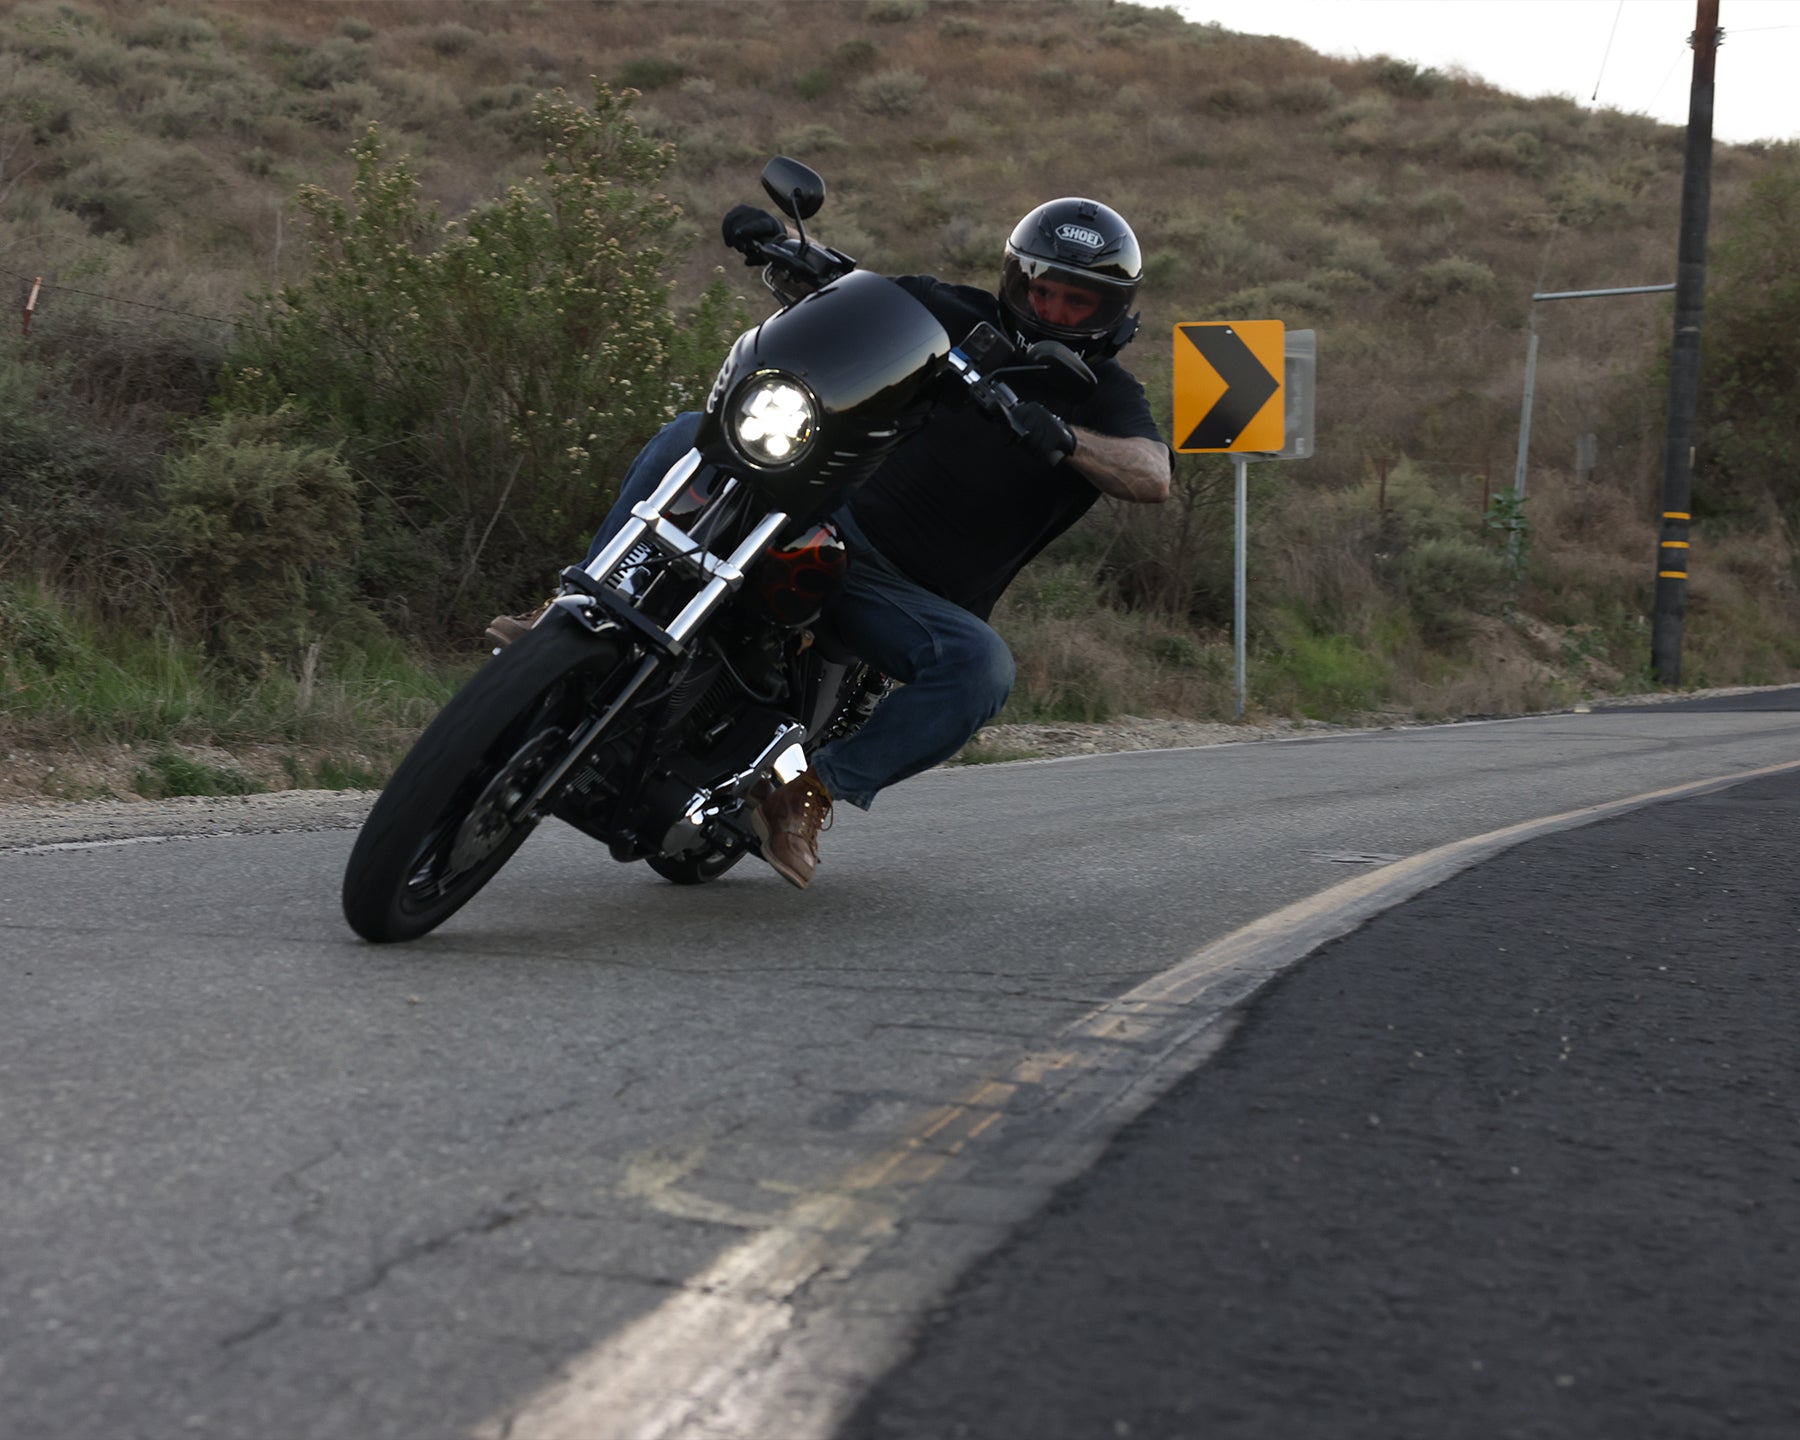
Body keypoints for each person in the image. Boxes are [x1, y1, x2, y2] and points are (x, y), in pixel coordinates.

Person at [490, 197, 1172, 889]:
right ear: (1016, 279)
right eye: (1042, 288)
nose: (1052, 308)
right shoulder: (957, 314)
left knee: (982, 671)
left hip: (902, 593)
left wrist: (1060, 435)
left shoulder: (1105, 395)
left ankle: (803, 795)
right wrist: (786, 249)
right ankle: (576, 611)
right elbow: (862, 301)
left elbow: (1152, 473)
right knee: (690, 434)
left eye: (1075, 301)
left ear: (1110, 310)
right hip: (822, 510)